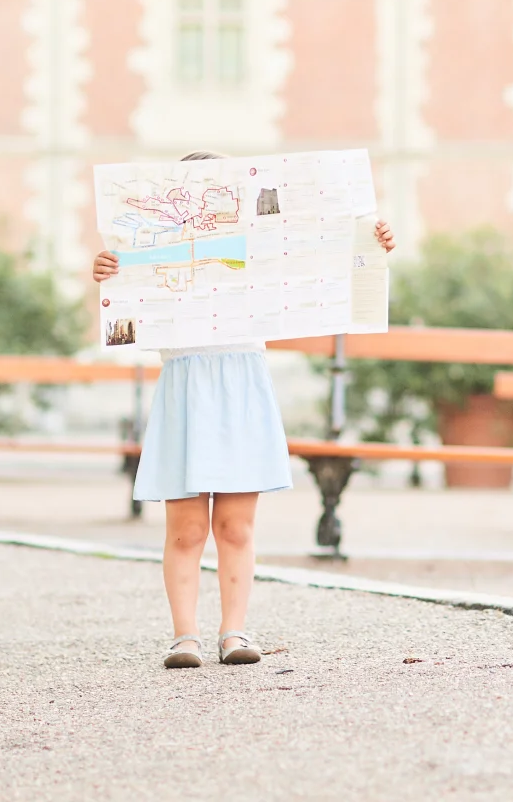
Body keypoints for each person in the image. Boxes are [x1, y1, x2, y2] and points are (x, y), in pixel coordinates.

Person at [93, 152, 396, 669]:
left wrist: (373, 238)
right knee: (185, 529)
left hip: (241, 388)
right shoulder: (156, 246)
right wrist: (108, 274)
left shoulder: (264, 249)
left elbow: (317, 255)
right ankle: (183, 636)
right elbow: (130, 300)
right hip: (185, 389)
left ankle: (234, 631)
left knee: (236, 526)